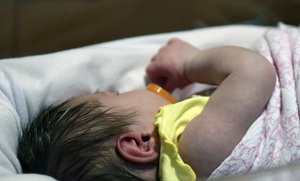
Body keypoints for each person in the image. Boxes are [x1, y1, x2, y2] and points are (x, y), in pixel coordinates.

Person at [17, 38, 276, 181]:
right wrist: (190, 63)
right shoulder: (196, 149)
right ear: (139, 144)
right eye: (117, 95)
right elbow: (255, 72)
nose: (128, 89)